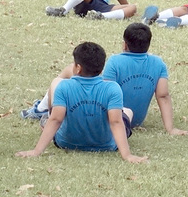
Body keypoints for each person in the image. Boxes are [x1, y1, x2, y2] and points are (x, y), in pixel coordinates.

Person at [25, 22, 188, 136]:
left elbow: (103, 91)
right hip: (134, 120)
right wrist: (170, 128)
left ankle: (42, 109)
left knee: (67, 72)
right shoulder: (158, 63)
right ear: (149, 43)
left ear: (124, 44)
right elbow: (163, 95)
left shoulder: (115, 61)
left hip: (110, 118)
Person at [17, 41, 147, 163]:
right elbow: (116, 122)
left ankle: (41, 115)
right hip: (106, 145)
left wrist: (36, 151)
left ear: (78, 68)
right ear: (101, 69)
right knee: (127, 112)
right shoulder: (113, 88)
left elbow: (56, 119)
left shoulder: (64, 87)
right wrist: (127, 155)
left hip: (66, 143)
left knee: (51, 118)